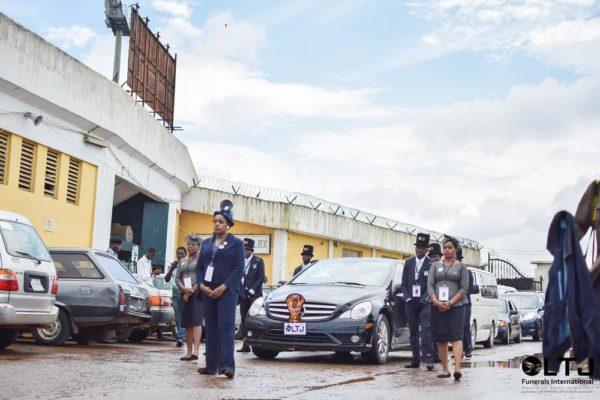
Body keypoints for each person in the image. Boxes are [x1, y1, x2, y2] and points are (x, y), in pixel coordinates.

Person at [197, 200, 244, 379]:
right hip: (207, 290)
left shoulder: (236, 244)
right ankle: (210, 366)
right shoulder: (207, 243)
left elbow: (238, 269)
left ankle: (227, 366)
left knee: (225, 326)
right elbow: (200, 267)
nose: (217, 224)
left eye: (221, 222)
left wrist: (223, 287)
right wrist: (201, 285)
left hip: (226, 291)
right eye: (215, 221)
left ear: (228, 225)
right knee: (210, 326)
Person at [427, 235, 469, 381]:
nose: (446, 250)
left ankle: (457, 369)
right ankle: (445, 370)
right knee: (442, 339)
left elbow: (464, 289)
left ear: (455, 250)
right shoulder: (435, 266)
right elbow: (430, 285)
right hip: (437, 306)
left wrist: (450, 302)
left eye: (450, 247)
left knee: (456, 337)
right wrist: (436, 302)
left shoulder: (461, 267)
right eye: (444, 247)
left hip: (456, 307)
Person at [401, 233, 435, 371]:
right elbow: (403, 284)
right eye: (418, 247)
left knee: (426, 331)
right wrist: (408, 299)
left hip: (425, 304)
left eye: (422, 248)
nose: (419, 250)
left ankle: (429, 359)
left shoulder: (432, 264)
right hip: (410, 303)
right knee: (413, 331)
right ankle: (415, 359)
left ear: (427, 250)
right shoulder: (408, 263)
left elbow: (432, 286)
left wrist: (422, 301)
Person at [176, 237, 203, 362]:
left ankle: (196, 351)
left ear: (199, 246)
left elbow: (202, 277)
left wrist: (191, 290)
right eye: (188, 244)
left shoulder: (202, 259)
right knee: (187, 323)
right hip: (184, 294)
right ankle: (188, 352)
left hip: (197, 294)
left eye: (192, 244)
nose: (189, 246)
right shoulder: (182, 260)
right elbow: (178, 278)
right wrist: (184, 290)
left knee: (196, 322)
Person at [237, 238, 265, 353]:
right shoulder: (240, 260)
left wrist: (252, 290)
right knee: (244, 319)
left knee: (253, 319)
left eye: (246, 249)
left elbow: (261, 278)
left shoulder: (258, 261)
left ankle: (255, 344)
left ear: (251, 250)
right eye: (243, 249)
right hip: (243, 294)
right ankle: (245, 344)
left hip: (254, 295)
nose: (244, 251)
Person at [166, 246, 187, 347]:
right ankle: (181, 336)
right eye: (178, 253)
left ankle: (180, 337)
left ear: (185, 255)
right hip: (174, 295)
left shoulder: (187, 265)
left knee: (183, 317)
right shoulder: (174, 266)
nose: (179, 255)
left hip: (183, 294)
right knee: (178, 318)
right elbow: (166, 279)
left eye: (181, 254)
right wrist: (171, 269)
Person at [458, 248, 474, 358]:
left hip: (465, 303)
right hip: (454, 303)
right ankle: (459, 350)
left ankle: (468, 348)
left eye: (458, 259)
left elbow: (469, 288)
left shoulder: (468, 272)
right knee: (456, 327)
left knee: (465, 325)